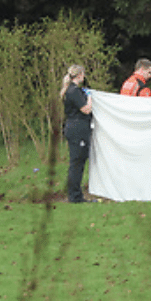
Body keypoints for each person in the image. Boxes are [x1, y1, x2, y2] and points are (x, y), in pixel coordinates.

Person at [61, 64, 93, 203]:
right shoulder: (73, 91)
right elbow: (86, 109)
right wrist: (90, 97)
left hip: (76, 127)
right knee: (77, 162)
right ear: (79, 75)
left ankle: (76, 194)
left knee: (79, 161)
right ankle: (74, 195)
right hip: (77, 128)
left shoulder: (72, 90)